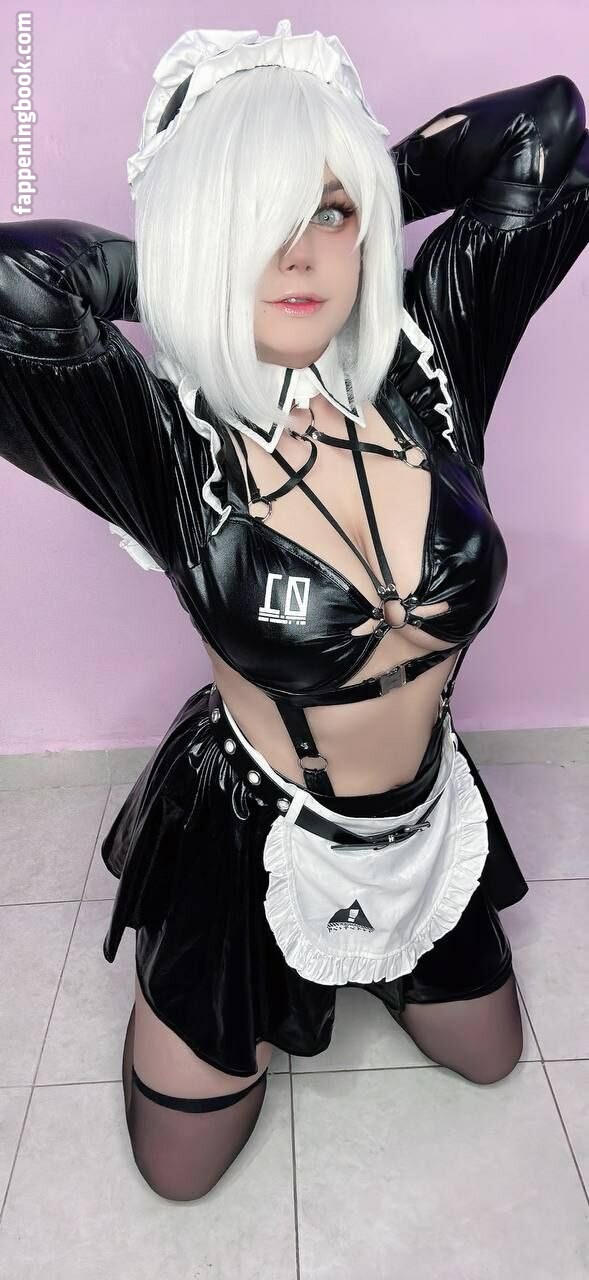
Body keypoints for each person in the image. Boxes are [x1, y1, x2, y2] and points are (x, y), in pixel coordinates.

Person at [0, 18, 587, 1202]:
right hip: (251, 833)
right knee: (180, 1171)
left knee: (490, 1060)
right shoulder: (171, 443)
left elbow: (548, 128)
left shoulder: (430, 359)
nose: (299, 253)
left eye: (326, 213)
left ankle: (394, 952)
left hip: (426, 816)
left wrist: (364, 176)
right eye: (251, 220)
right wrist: (189, 263)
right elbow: (20, 284)